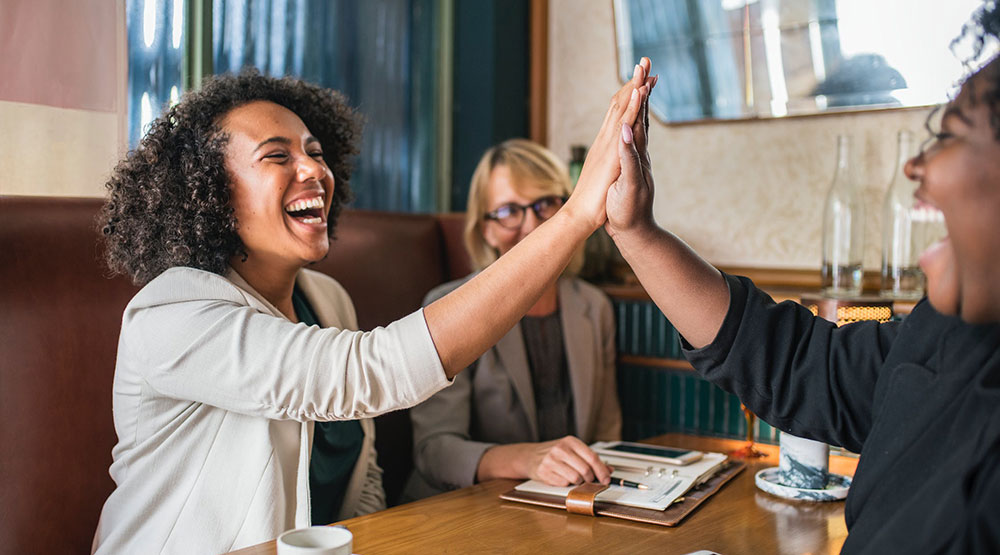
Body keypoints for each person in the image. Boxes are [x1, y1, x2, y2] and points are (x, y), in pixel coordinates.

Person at [92, 62, 654, 554]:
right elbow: (370, 372)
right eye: (277, 156)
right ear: (209, 192)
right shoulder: (172, 313)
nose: (314, 170)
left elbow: (361, 480)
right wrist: (578, 214)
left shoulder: (327, 299)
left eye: (316, 152)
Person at [604, 4, 1000, 553]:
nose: (916, 166)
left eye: (949, 135)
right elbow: (807, 368)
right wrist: (637, 233)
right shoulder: (950, 333)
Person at [404, 139, 621, 500]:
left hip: (565, 506)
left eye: (544, 204)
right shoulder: (445, 305)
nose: (532, 225)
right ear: (485, 229)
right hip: (465, 509)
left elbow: (608, 434)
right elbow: (434, 452)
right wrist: (526, 460)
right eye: (508, 211)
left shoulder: (594, 306)